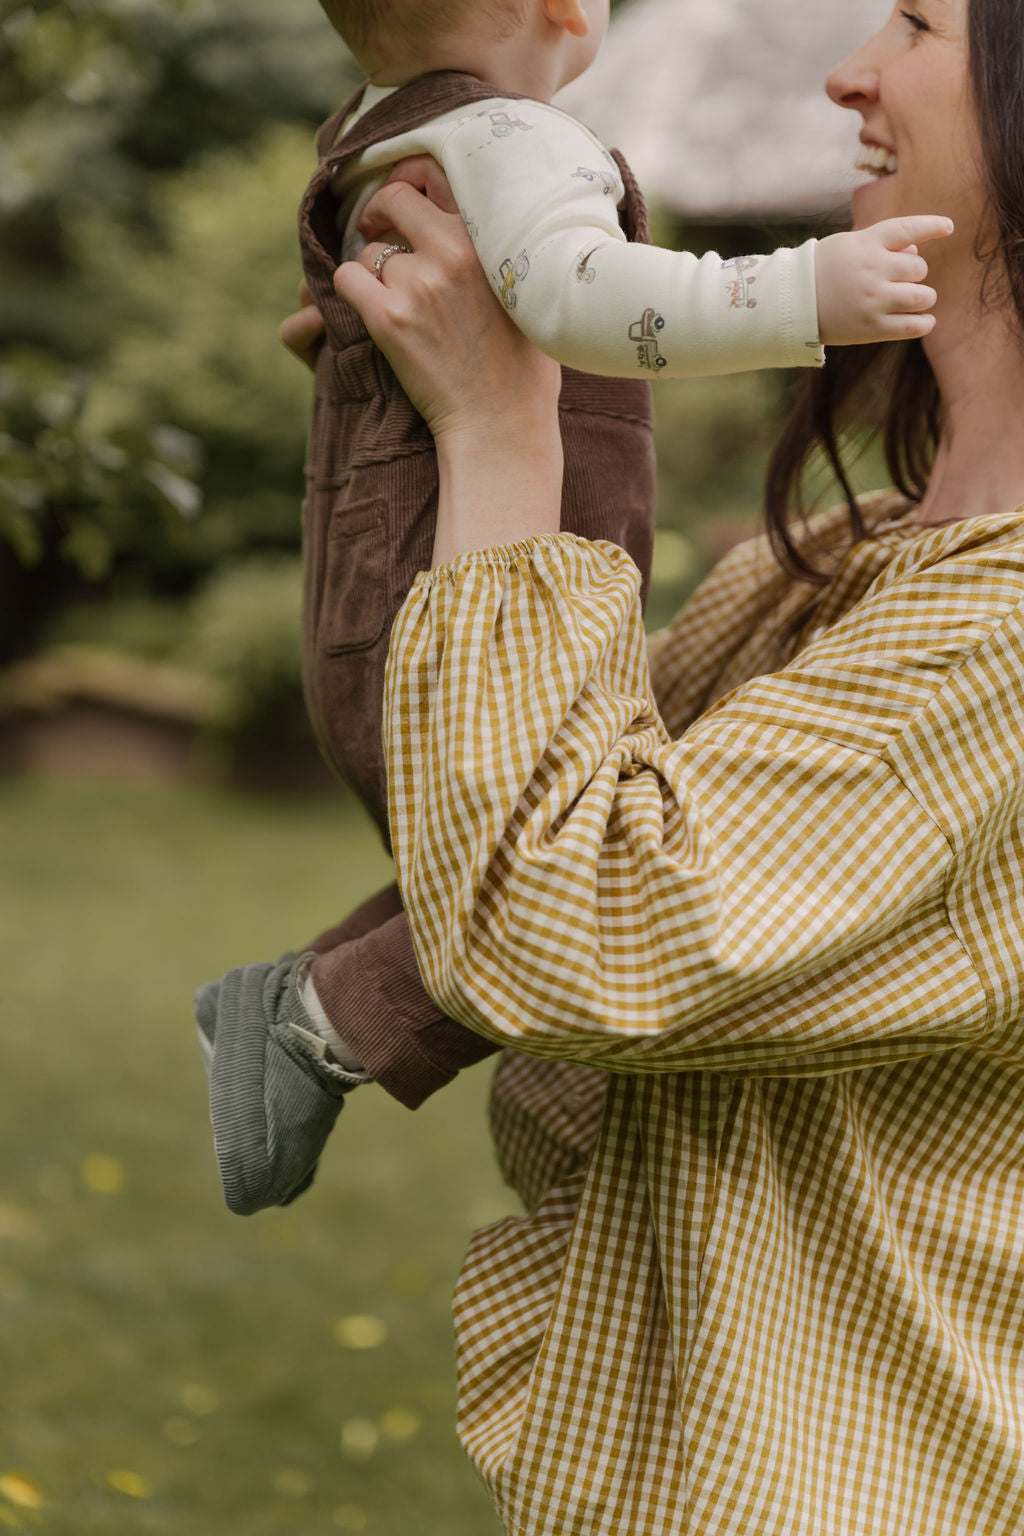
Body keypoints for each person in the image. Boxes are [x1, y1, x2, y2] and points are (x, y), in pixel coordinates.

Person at [324, 0, 1024, 1530]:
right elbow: (524, 772)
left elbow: (556, 926)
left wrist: (502, 429)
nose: (846, 69)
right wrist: (422, 405)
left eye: (913, 22)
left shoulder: (1001, 647)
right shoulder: (848, 561)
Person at [195, 0, 949, 1215]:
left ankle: (315, 1008)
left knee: (540, 834)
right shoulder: (517, 137)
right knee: (534, 853)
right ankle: (326, 1018)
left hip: (389, 608)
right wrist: (804, 291)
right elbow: (590, 298)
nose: (849, 68)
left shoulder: (374, 132)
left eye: (914, 23)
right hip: (454, 618)